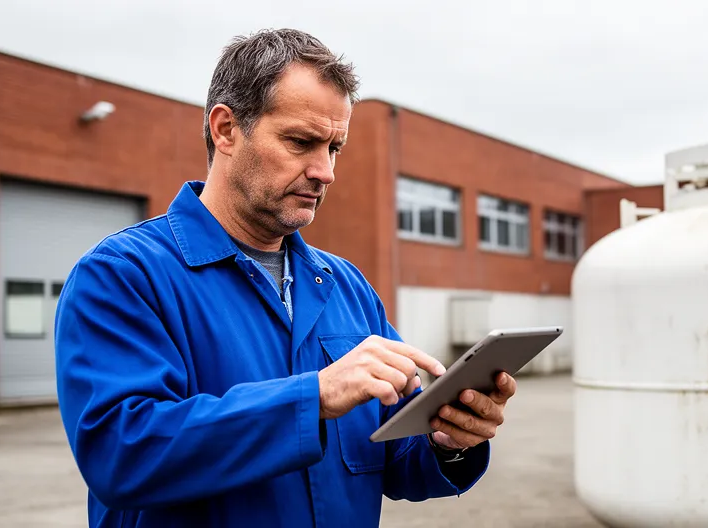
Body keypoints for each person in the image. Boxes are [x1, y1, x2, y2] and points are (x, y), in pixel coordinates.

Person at [54, 28, 516, 527]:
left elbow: (393, 457)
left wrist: (447, 441)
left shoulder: (346, 286)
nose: (326, 171)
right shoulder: (123, 276)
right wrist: (313, 397)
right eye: (301, 142)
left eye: (334, 147)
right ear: (226, 129)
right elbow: (122, 457)